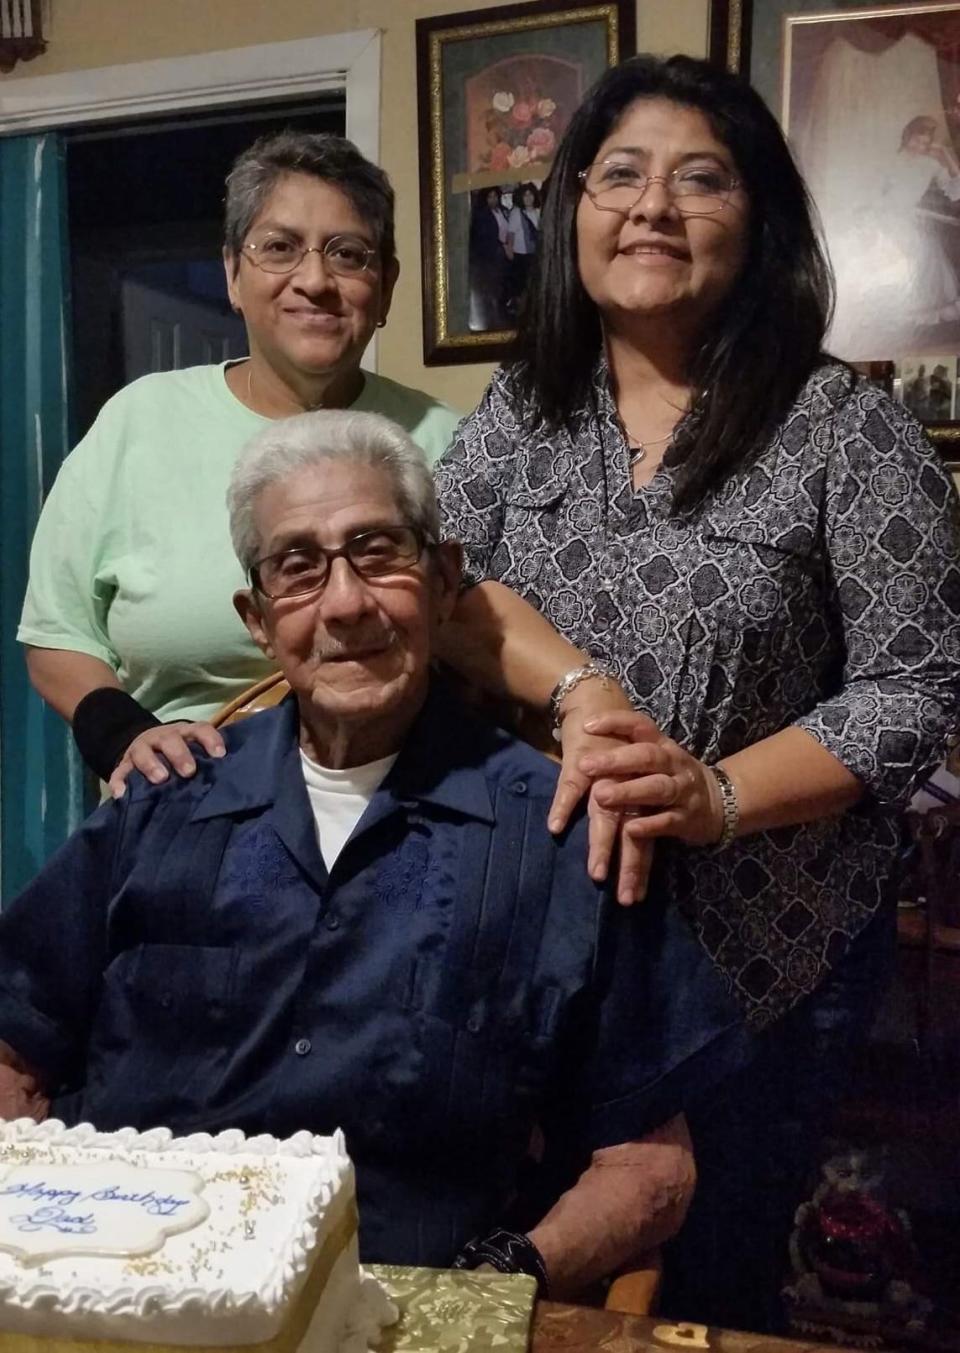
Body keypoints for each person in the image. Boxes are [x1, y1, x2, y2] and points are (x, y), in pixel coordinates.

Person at [433, 54, 960, 1329]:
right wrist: (579, 692)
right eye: (619, 175)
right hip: (545, 945)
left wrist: (714, 795)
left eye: (699, 178)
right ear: (572, 214)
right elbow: (443, 588)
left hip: (761, 958)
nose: (652, 206)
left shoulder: (843, 426)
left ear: (760, 218)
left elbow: (917, 685)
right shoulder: (520, 409)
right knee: (522, 1265)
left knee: (707, 1290)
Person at [0, 410, 752, 1292]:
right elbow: (14, 1048)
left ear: (442, 581)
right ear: (258, 617)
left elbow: (652, 1169)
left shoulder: (561, 834)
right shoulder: (163, 801)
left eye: (378, 551)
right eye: (299, 566)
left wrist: (499, 1282)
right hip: (122, 1292)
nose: (346, 602)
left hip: (405, 1311)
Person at [18, 131, 461, 798]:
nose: (314, 281)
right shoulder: (138, 422)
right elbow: (57, 632)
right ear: (232, 274)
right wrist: (124, 737)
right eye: (279, 248)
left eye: (348, 254)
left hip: (398, 806)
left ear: (387, 285)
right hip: (184, 808)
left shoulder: (450, 440)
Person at [468, 187, 512, 330]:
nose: (493, 200)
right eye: (490, 197)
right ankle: (495, 316)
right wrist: (500, 245)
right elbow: (484, 237)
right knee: (493, 287)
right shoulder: (482, 215)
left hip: (505, 253)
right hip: (491, 256)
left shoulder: (503, 211)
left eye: (495, 196)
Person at [506, 182, 542, 312]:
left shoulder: (539, 212)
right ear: (521, 198)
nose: (528, 198)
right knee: (522, 283)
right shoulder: (516, 213)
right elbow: (510, 234)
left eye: (530, 195)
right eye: (525, 195)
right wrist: (510, 249)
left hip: (536, 253)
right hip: (521, 254)